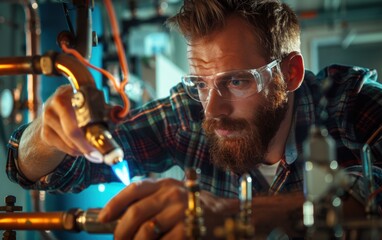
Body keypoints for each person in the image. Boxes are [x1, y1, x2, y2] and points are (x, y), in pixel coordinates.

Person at [6, 0, 382, 239]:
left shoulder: (352, 104)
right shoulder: (187, 115)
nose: (212, 109)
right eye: (200, 83)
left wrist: (237, 217)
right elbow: (43, 172)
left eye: (236, 81)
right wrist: (46, 136)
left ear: (291, 73)